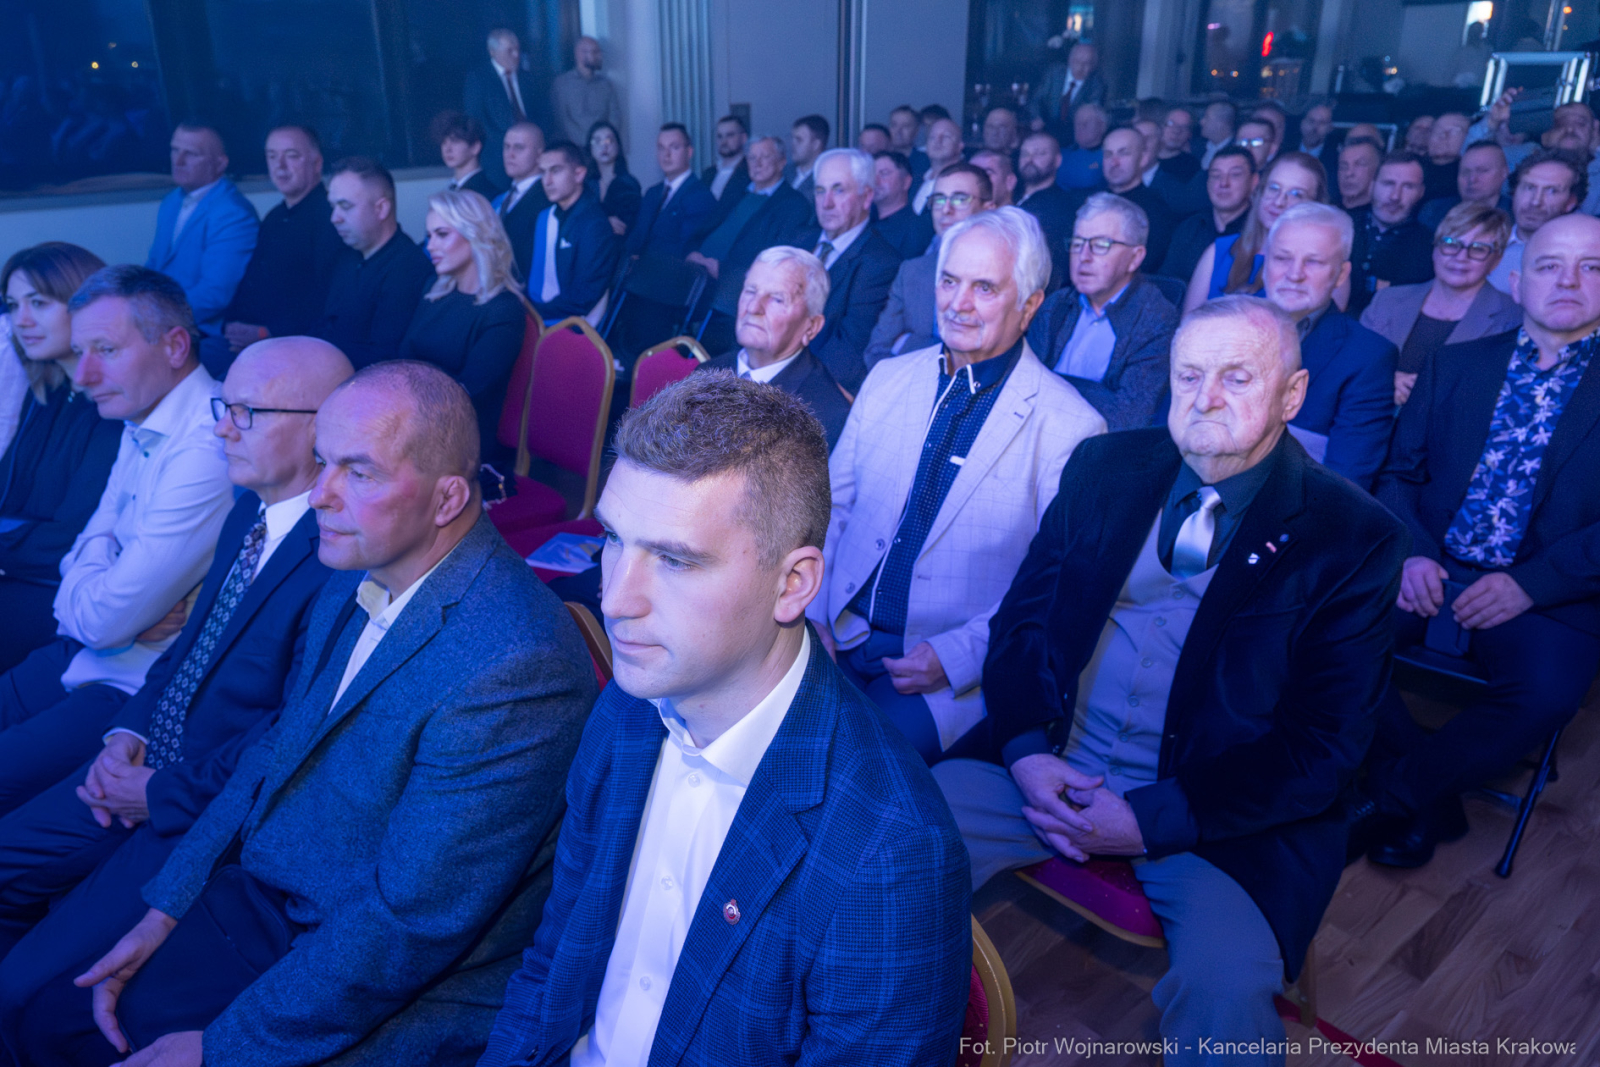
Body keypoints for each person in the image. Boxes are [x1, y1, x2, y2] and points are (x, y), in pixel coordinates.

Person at [6, 362, 596, 1067]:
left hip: (364, 965)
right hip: (267, 898)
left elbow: (409, 923)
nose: (319, 494)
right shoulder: (353, 575)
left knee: (61, 1039)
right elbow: (274, 752)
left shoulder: (518, 663)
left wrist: (221, 1047)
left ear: (447, 499)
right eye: (322, 462)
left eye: (359, 472)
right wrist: (164, 911)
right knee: (43, 1017)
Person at [939, 296, 1407, 1067]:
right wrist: (1024, 752)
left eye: (1236, 377)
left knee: (1226, 992)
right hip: (1048, 763)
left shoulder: (1352, 537)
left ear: (1292, 395)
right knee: (886, 847)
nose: (1205, 397)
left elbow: (1323, 747)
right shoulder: (1105, 467)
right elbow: (1022, 625)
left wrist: (1149, 818)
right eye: (1189, 375)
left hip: (1222, 816)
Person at [478, 373, 971, 1067]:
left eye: (674, 559)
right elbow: (553, 961)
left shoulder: (891, 851)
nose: (615, 599)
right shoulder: (627, 706)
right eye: (614, 538)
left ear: (792, 583)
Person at [0, 339, 348, 971]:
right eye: (223, 407)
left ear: (320, 428)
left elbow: (285, 734)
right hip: (143, 756)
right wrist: (125, 735)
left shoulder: (337, 555)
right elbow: (185, 652)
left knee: (33, 986)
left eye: (245, 412)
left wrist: (158, 790)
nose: (222, 428)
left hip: (200, 808)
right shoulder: (248, 512)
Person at [809, 208, 1105, 763]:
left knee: (855, 766)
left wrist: (957, 657)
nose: (957, 303)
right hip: (833, 633)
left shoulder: (1071, 427)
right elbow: (831, 506)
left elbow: (1051, 587)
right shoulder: (888, 378)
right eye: (949, 281)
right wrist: (815, 613)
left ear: (1030, 305)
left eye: (984, 288)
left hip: (940, 672)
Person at [1362, 212, 1600, 868]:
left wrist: (1531, 584)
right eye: (1550, 265)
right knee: (1331, 635)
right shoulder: (1455, 364)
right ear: (1517, 283)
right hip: (1432, 566)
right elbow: (1399, 474)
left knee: (1545, 696)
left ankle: (1394, 793)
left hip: (1550, 589)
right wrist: (1414, 552)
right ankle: (1430, 797)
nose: (1569, 281)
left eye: (1591, 267)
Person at [0, 266, 234, 810]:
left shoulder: (207, 444)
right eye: (81, 351)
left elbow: (103, 617)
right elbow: (86, 555)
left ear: (175, 346)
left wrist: (95, 578)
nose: (83, 375)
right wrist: (98, 580)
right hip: (83, 651)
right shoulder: (140, 415)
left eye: (105, 350)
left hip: (132, 688)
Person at [0, 245, 120, 670]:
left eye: (38, 303)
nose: (21, 320)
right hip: (21, 575)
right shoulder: (47, 389)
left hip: (57, 594)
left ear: (84, 304)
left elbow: (72, 537)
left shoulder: (114, 403)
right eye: (13, 304)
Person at [1262, 203, 1397, 489]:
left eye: (1313, 262)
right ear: (1265, 261)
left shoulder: (1368, 357)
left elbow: (1343, 485)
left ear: (1341, 274)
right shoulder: (1218, 323)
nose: (1294, 274)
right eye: (1282, 258)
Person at [1028, 193, 1180, 431]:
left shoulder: (1157, 320)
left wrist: (1050, 385)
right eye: (1077, 243)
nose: (1083, 257)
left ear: (1135, 258)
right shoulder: (1055, 304)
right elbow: (1022, 385)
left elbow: (1129, 418)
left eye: (1100, 245)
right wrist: (1097, 393)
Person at [397, 190, 529, 463]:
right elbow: (402, 362)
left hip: (461, 442)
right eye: (429, 235)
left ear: (475, 234)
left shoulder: (504, 309)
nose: (431, 246)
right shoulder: (434, 292)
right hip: (412, 422)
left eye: (442, 234)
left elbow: (466, 394)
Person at [1361, 204, 1520, 405]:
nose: (1461, 257)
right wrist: (1385, 381)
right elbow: (1354, 366)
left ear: (1496, 260)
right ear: (1435, 248)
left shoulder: (1513, 317)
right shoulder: (1387, 301)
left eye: (1478, 249)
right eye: (1451, 244)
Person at [215, 126, 342, 376]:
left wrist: (268, 333)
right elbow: (251, 281)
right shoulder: (274, 217)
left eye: (291, 156)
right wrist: (231, 324)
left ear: (317, 163)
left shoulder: (331, 218)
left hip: (294, 352)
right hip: (249, 345)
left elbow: (326, 300)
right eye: (272, 156)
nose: (280, 166)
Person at [698, 247, 850, 447]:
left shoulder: (824, 415)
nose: (753, 307)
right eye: (750, 291)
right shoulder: (706, 372)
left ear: (811, 327)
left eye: (777, 299)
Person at [145, 122, 260, 365]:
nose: (178, 161)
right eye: (175, 150)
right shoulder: (171, 202)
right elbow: (154, 268)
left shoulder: (233, 213)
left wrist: (153, 319)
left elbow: (215, 295)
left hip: (203, 336)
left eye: (191, 154)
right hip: (165, 326)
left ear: (220, 163)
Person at [686, 136, 814, 353]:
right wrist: (692, 251)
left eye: (765, 157)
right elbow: (706, 227)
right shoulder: (736, 191)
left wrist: (721, 269)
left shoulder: (794, 204)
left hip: (733, 291)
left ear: (782, 162)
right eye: (752, 158)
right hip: (698, 276)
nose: (757, 163)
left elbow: (776, 262)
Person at [866, 163, 994, 368]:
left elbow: (988, 356)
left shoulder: (1003, 274)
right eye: (939, 199)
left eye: (960, 199)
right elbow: (877, 351)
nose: (946, 209)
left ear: (988, 209)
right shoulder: (912, 271)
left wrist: (906, 343)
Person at [313, 157, 434, 368]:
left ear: (381, 209)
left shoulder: (409, 269)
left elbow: (384, 358)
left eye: (345, 206)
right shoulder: (347, 257)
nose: (334, 218)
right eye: (333, 206)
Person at [798, 148, 903, 393]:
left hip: (809, 390)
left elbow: (846, 355)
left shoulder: (881, 263)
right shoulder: (798, 240)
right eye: (820, 190)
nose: (826, 203)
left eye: (839, 190)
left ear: (867, 197)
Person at [1185, 151, 1327, 311]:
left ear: (1316, 206)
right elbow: (1187, 323)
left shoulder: (1322, 265)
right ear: (1260, 192)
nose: (1279, 201)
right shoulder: (1219, 251)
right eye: (1273, 188)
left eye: (1296, 194)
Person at [528, 142, 620, 327]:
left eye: (555, 171)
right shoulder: (547, 216)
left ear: (579, 174)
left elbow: (583, 297)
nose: (547, 181)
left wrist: (532, 311)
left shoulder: (593, 224)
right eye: (543, 172)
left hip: (571, 324)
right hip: (544, 313)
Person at [1348, 152, 1436, 316]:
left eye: (1408, 186)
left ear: (1421, 192)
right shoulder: (1342, 224)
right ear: (1372, 185)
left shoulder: (1429, 246)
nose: (1395, 196)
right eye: (1388, 184)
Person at [1487, 149, 1585, 295]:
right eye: (1529, 188)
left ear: (1571, 202)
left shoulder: (1585, 257)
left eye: (1551, 191)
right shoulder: (1484, 244)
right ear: (1514, 191)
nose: (1535, 201)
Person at [1162, 146, 1256, 286]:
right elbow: (1167, 283)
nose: (1223, 183)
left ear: (1254, 181)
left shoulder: (1260, 232)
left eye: (1235, 175)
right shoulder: (1191, 227)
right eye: (1216, 176)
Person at [625, 124, 718, 260]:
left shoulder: (701, 197)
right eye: (661, 148)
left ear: (689, 152)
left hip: (669, 270)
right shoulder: (652, 193)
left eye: (674, 147)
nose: (666, 155)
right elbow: (637, 236)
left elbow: (686, 248)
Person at [464, 28, 541, 187]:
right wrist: (510, 145)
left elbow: (544, 115)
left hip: (533, 157)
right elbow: (476, 120)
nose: (516, 55)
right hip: (497, 159)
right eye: (510, 51)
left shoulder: (529, 79)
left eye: (518, 49)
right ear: (492, 52)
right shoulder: (479, 79)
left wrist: (536, 141)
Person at [1101, 127, 1174, 271]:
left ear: (1143, 159)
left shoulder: (1156, 210)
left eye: (1123, 153)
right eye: (1108, 154)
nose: (1114, 162)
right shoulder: (1091, 202)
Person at [1016, 131, 1080, 286]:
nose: (1030, 160)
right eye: (1025, 154)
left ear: (1057, 161)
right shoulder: (1011, 194)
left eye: (1040, 154)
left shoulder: (1062, 206)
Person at [491, 121, 551, 287]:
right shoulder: (500, 198)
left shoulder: (547, 198)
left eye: (519, 148)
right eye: (506, 147)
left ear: (539, 155)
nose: (509, 154)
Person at [550, 35, 623, 148]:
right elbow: (562, 121)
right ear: (580, 54)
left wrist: (604, 141)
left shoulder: (606, 85)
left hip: (602, 147)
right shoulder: (562, 84)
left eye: (599, 52)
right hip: (574, 148)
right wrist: (586, 144)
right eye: (595, 52)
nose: (600, 56)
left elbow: (615, 117)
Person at [1418, 140, 1510, 230]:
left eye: (1482, 171)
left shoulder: (1515, 215)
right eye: (1465, 172)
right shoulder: (1434, 212)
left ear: (1504, 173)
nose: (1472, 179)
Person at [1034, 41, 1106, 140]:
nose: (1080, 67)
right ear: (1069, 60)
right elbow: (1036, 100)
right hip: (1045, 129)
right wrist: (1036, 117)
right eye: (1077, 62)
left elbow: (1091, 114)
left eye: (1086, 64)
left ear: (1094, 66)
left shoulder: (1097, 85)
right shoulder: (1054, 74)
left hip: (1074, 135)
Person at [870, 151, 934, 260]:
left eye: (884, 173)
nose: (875, 181)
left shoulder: (918, 231)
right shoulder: (864, 223)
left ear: (906, 182)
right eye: (871, 175)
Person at [586, 120, 642, 237]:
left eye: (609, 140)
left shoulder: (628, 184)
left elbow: (624, 226)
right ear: (590, 148)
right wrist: (605, 222)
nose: (604, 146)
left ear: (618, 146)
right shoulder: (586, 185)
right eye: (597, 141)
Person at [433, 111, 501, 202]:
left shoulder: (484, 192)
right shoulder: (451, 188)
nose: (447, 149)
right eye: (444, 142)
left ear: (475, 147)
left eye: (455, 141)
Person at [910, 117, 967, 212]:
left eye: (946, 136)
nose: (938, 141)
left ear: (960, 145)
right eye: (932, 137)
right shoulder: (915, 176)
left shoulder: (964, 182)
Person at [1422, 112, 1471, 202]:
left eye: (1454, 131)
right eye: (1437, 130)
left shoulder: (1471, 176)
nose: (1443, 135)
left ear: (1469, 136)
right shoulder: (1412, 168)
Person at [1057, 104, 1109, 190]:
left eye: (1086, 123)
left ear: (1102, 126)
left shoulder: (1108, 156)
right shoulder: (1059, 154)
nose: (1080, 127)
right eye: (1077, 123)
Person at [702, 114, 749, 200]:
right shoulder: (708, 174)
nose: (723, 141)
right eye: (719, 136)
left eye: (730, 135)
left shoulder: (751, 172)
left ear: (743, 138)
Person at [788, 114, 831, 199]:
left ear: (816, 144)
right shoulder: (784, 173)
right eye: (792, 139)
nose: (793, 144)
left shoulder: (826, 178)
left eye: (799, 140)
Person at [1335, 136, 1382, 210]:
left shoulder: (1382, 214)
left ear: (1378, 170)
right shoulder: (1324, 211)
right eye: (1343, 166)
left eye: (1360, 164)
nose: (1349, 173)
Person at [1292, 99, 1338, 171]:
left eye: (1322, 123)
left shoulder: (1335, 161)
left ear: (1330, 128)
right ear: (1302, 123)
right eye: (1311, 121)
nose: (1315, 128)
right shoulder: (1284, 153)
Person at [1157, 107, 1200, 183]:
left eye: (1184, 127)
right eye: (1171, 123)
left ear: (1190, 134)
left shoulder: (1192, 167)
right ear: (1160, 127)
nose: (1176, 131)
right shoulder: (1144, 158)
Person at [1198, 100, 1237, 169]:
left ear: (1221, 123)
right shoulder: (1199, 148)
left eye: (1206, 117)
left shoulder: (1236, 152)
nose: (1201, 122)